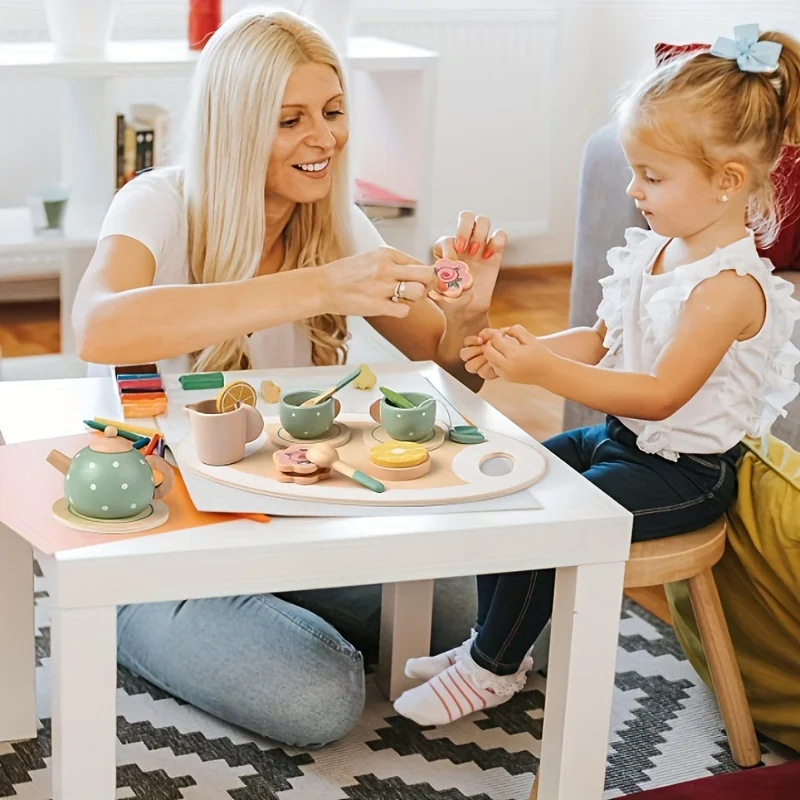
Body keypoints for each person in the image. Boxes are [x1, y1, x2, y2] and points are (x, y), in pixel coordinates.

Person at [71, 8, 507, 746]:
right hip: (162, 539)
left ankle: (264, 613)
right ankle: (136, 626)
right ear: (238, 127)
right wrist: (317, 287)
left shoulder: (331, 220)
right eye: (292, 120)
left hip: (285, 515)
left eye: (334, 112)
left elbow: (450, 369)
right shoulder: (158, 204)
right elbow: (99, 326)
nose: (326, 139)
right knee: (320, 698)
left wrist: (472, 313)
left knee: (460, 609)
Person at [393, 24, 800, 726]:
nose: (632, 187)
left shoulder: (728, 289)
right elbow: (606, 340)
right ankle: (493, 651)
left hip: (686, 474)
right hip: (623, 442)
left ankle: (488, 672)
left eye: (652, 175)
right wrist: (516, 344)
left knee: (546, 523)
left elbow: (664, 392)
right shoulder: (659, 250)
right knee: (508, 487)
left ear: (729, 182)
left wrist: (543, 371)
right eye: (635, 170)